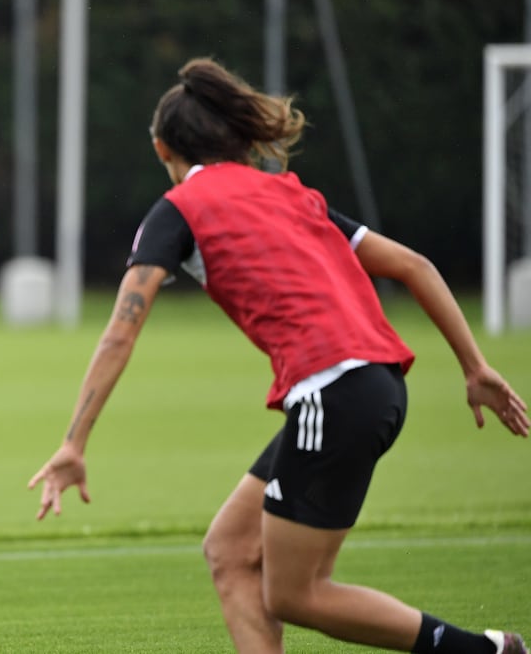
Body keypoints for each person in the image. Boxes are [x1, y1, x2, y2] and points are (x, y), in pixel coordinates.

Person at [27, 57, 529, 653]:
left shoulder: (179, 209)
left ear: (164, 148)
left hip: (332, 391)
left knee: (295, 594)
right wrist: (475, 367)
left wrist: (74, 442)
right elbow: (415, 266)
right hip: (376, 384)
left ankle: (486, 652)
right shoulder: (289, 193)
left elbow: (119, 332)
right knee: (230, 552)